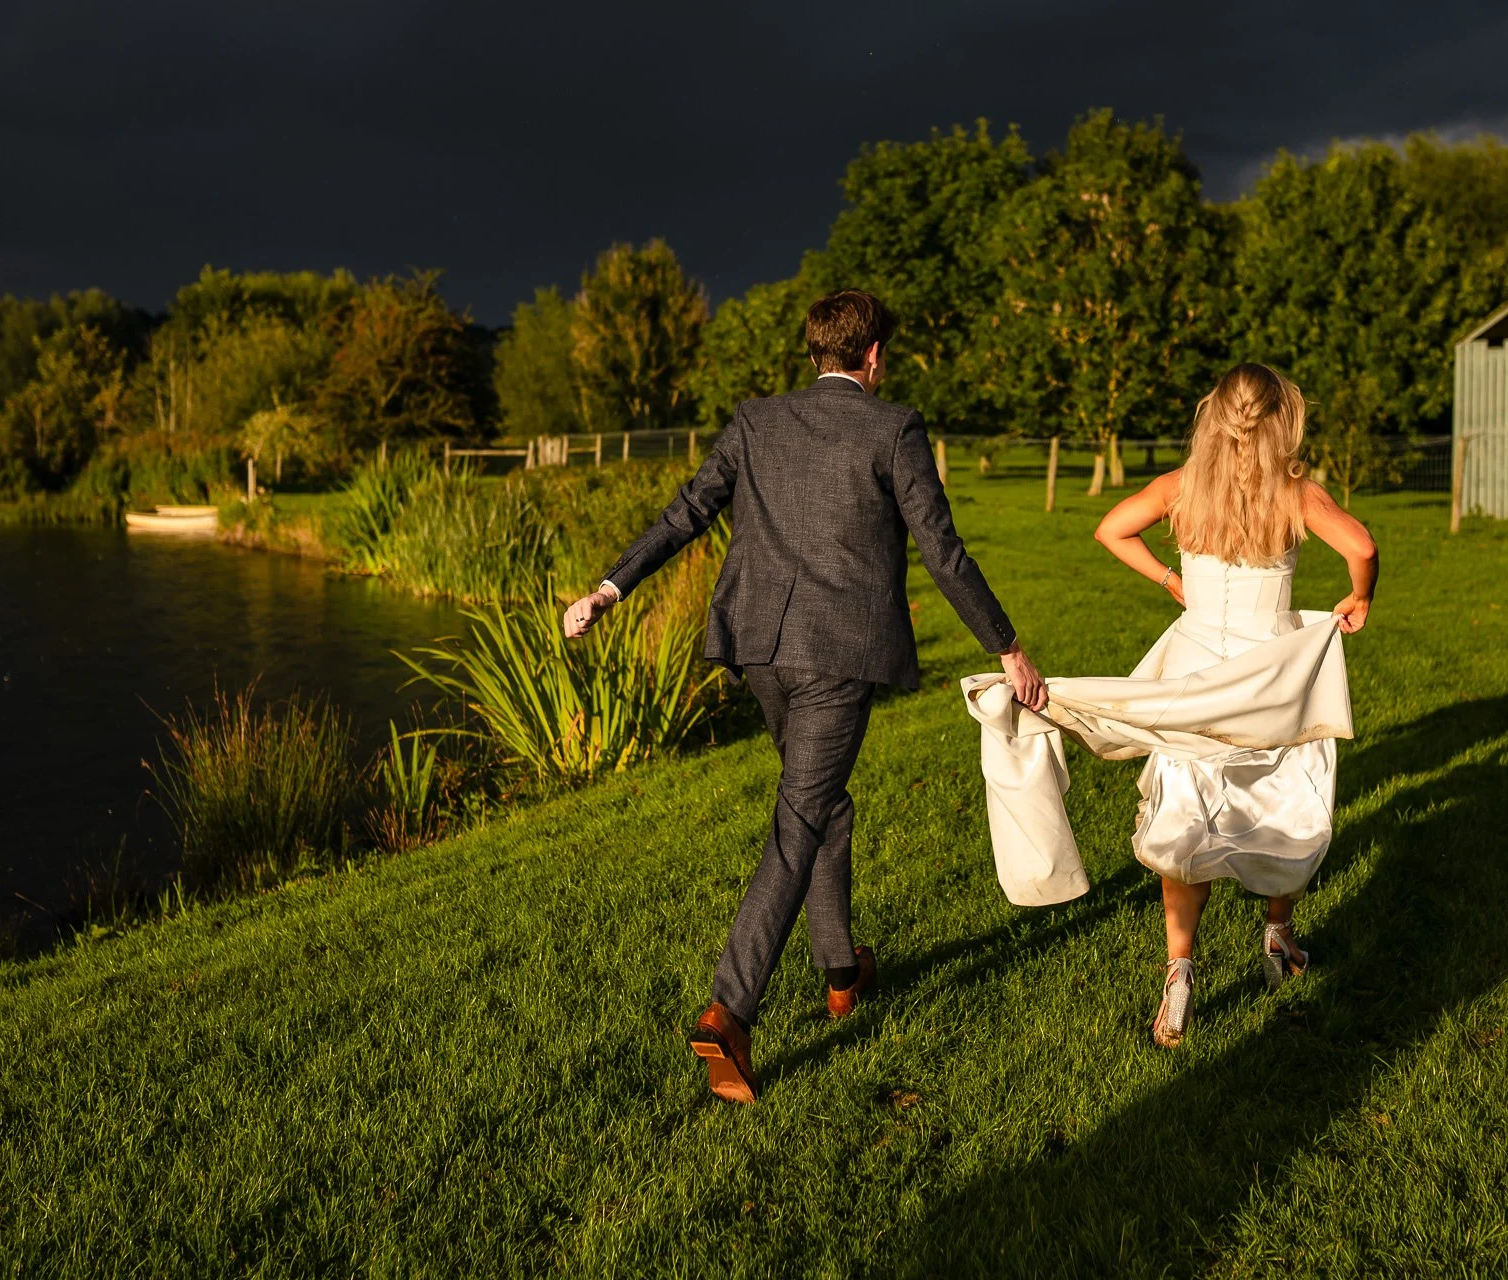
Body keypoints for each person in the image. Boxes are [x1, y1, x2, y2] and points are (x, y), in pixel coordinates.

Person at [562, 289, 1046, 1103]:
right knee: (798, 820)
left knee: (824, 805)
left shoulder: (755, 421)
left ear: (815, 350)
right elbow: (942, 549)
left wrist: (611, 588)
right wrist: (1008, 646)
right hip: (835, 656)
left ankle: (839, 973)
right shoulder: (894, 428)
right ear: (875, 356)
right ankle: (729, 1013)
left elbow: (685, 514)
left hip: (759, 650)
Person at [1093, 363, 1377, 1047]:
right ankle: (1278, 937)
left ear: (1212, 418)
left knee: (1187, 815)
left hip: (1195, 671)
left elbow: (1110, 529)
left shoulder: (1179, 489)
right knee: (1281, 801)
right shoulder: (1296, 495)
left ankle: (1181, 973)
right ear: (1283, 421)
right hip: (1270, 674)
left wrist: (1170, 579)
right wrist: (1361, 595)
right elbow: (1362, 546)